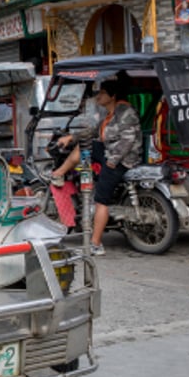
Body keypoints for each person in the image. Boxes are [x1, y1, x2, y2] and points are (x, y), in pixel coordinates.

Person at [50, 79, 142, 256]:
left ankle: (96, 244)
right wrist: (71, 137)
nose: (98, 96)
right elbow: (93, 131)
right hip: (109, 153)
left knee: (102, 198)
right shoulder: (108, 113)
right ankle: (61, 173)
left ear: (112, 96)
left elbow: (128, 140)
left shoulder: (125, 112)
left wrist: (113, 161)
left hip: (121, 160)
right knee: (85, 146)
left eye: (102, 93)